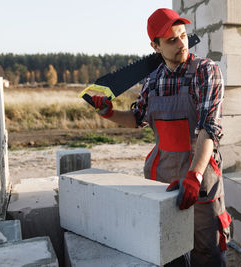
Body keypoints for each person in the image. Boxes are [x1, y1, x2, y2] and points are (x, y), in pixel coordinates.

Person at [92, 8, 231, 267]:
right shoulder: (153, 79)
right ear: (155, 46)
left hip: (199, 178)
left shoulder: (206, 71)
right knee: (169, 252)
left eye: (183, 35)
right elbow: (138, 118)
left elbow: (209, 128)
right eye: (171, 40)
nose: (181, 44)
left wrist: (195, 175)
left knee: (208, 253)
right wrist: (109, 113)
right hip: (161, 178)